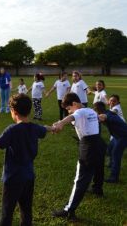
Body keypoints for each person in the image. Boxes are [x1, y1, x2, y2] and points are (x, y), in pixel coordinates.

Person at [0, 93, 54, 226]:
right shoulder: (34, 127)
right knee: (26, 210)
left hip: (13, 178)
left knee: (7, 212)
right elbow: (44, 129)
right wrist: (53, 128)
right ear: (29, 110)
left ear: (13, 111)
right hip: (29, 177)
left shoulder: (12, 130)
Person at [52, 93, 106, 221]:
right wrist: (101, 117)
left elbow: (71, 117)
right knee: (98, 168)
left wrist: (61, 123)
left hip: (88, 147)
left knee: (80, 180)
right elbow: (95, 118)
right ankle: (98, 189)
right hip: (99, 144)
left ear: (75, 104)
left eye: (69, 108)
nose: (68, 111)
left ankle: (69, 210)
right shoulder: (90, 110)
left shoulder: (79, 112)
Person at [93, 101, 127, 183]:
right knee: (109, 150)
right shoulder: (105, 112)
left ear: (99, 109)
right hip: (116, 136)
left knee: (116, 155)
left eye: (95, 109)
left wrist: (105, 117)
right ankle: (111, 165)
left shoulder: (108, 115)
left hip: (123, 137)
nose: (94, 110)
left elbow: (109, 117)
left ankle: (114, 178)